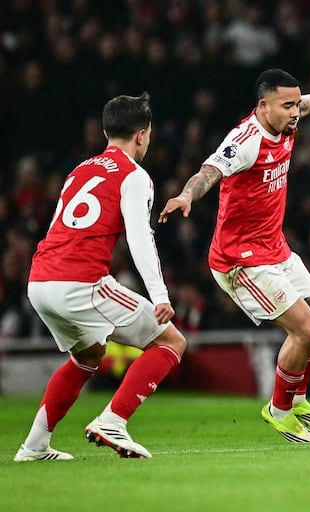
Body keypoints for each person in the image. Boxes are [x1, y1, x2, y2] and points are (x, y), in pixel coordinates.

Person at [159, 69, 310, 443]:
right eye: (287, 106)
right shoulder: (244, 142)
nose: (295, 113)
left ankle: (298, 398)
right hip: (240, 261)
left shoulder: (287, 119)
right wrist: (188, 195)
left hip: (275, 247)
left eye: (295, 104)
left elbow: (309, 102)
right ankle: (279, 411)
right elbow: (209, 171)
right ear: (263, 106)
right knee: (305, 329)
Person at [14, 93, 186, 461]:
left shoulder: (80, 169)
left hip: (40, 281)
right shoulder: (134, 176)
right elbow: (141, 238)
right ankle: (114, 421)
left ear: (107, 130)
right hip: (80, 283)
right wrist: (160, 295)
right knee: (171, 342)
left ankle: (34, 446)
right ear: (142, 135)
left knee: (88, 355)